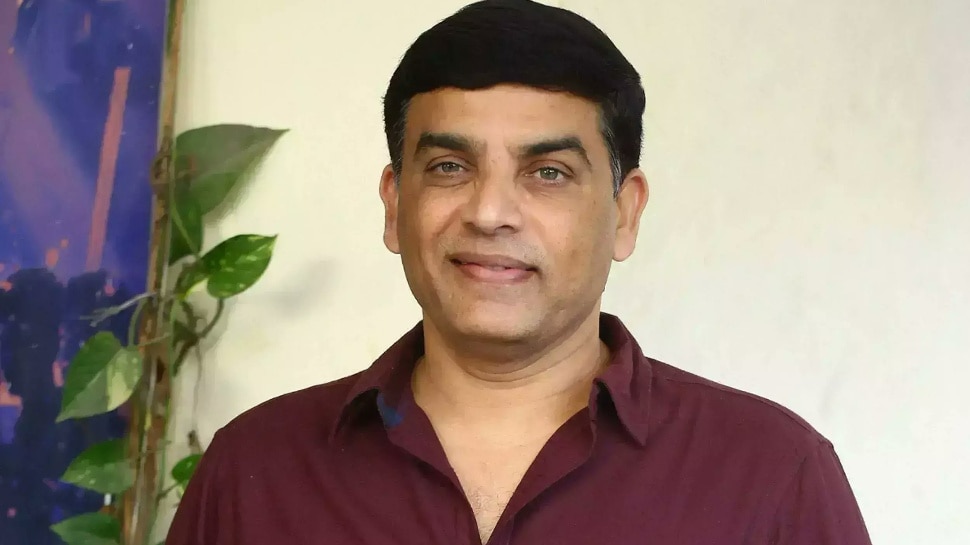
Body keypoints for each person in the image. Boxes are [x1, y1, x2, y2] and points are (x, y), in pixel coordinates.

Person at [166, 1, 872, 544]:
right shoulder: (256, 473)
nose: (490, 212)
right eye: (450, 166)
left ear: (625, 213)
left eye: (548, 172)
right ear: (395, 204)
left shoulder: (771, 476)